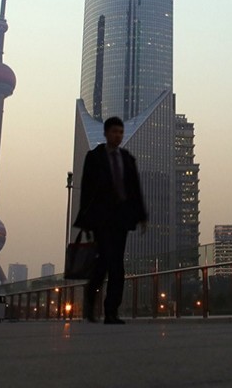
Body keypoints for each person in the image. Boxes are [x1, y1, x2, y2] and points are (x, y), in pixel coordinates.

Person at [74, 116, 147, 325]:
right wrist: (86, 219)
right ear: (106, 133)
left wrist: (141, 216)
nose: (118, 136)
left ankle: (111, 311)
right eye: (115, 132)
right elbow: (86, 189)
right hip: (100, 218)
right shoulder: (94, 157)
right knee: (106, 259)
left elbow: (135, 190)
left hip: (121, 219)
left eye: (121, 132)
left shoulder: (127, 159)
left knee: (117, 265)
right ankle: (91, 295)